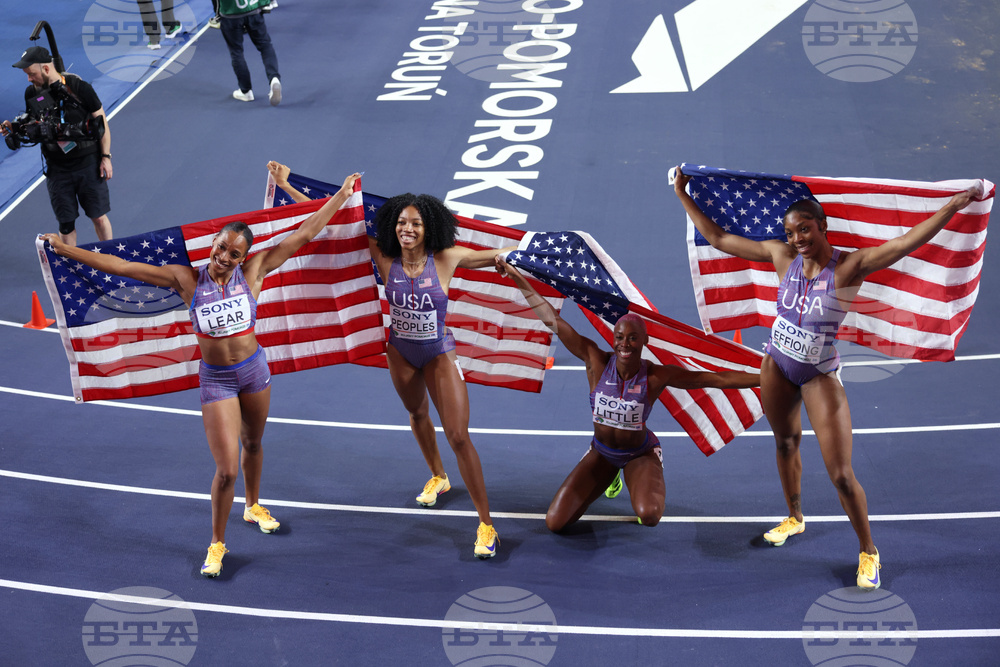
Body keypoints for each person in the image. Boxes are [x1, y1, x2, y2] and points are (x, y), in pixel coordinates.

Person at [41, 169, 361, 578]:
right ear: (213, 242)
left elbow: (305, 233)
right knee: (227, 469)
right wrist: (66, 251)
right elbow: (121, 266)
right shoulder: (186, 279)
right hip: (217, 380)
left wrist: (342, 195)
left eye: (232, 253)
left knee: (254, 443)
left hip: (254, 370)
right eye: (220, 247)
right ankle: (216, 543)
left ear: (244, 257)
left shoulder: (254, 272)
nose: (222, 257)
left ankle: (254, 505)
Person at [673, 167, 982, 589]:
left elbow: (906, 243)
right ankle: (795, 518)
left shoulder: (850, 267)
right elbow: (719, 240)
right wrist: (681, 194)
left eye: (804, 229)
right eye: (790, 231)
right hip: (776, 365)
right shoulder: (782, 257)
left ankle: (869, 551)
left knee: (840, 473)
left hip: (819, 374)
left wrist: (952, 205)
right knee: (784, 443)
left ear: (822, 226)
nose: (797, 238)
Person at [496, 258, 760, 532]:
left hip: (638, 454)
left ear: (644, 342)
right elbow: (552, 319)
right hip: (601, 453)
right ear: (613, 338)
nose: (625, 344)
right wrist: (517, 276)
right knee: (555, 523)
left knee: (649, 515)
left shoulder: (656, 376)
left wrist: (767, 378)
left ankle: (645, 470)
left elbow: (718, 379)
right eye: (620, 337)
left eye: (633, 338)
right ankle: (610, 477)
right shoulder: (595, 361)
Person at [2, 46, 112, 246]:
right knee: (65, 223)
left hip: (88, 163)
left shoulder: (79, 87)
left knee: (98, 216)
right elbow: (33, 121)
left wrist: (106, 157)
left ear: (45, 69)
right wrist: (15, 127)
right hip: (57, 169)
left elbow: (102, 123)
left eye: (31, 74)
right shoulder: (31, 93)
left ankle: (113, 257)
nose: (28, 79)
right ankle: (72, 266)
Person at [217, 0, 281, 105]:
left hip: (231, 15)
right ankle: (274, 78)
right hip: (253, 11)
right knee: (265, 46)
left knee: (236, 52)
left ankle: (246, 91)